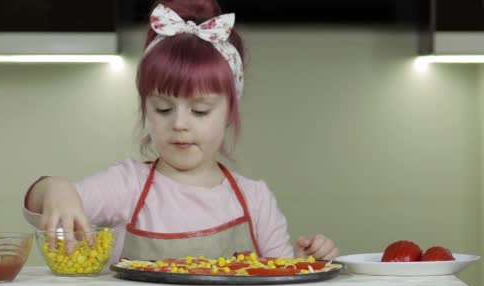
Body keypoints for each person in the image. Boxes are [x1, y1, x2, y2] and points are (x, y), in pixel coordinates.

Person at [22, 0, 339, 263]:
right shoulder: (126, 186)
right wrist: (55, 189)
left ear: (230, 112)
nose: (179, 124)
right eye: (163, 108)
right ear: (146, 108)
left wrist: (304, 265)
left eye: (200, 110)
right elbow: (39, 205)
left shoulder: (255, 201)